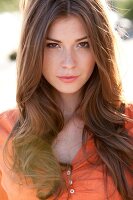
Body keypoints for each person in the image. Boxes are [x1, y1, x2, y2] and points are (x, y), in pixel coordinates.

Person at [0, 0, 133, 199]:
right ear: (33, 49)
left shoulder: (128, 125)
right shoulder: (4, 131)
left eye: (83, 44)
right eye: (53, 45)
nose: (69, 63)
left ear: (99, 48)